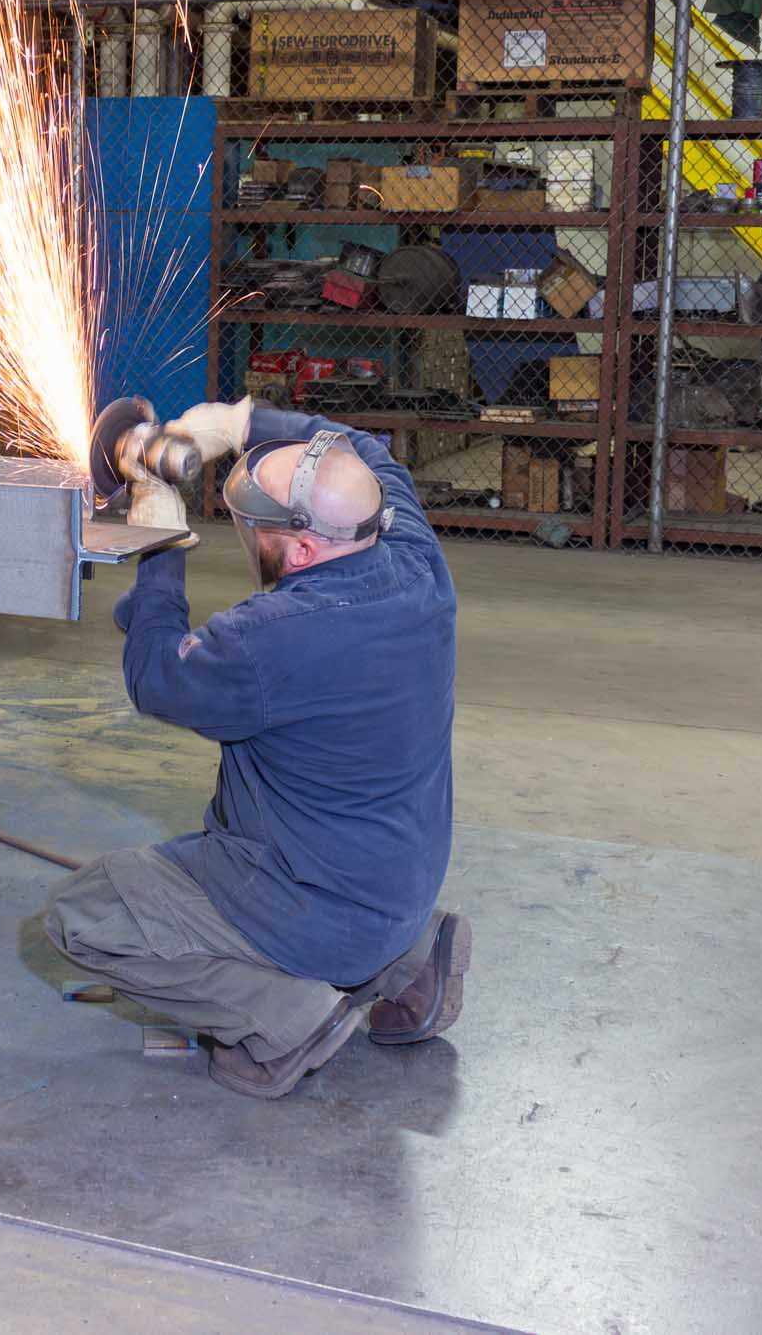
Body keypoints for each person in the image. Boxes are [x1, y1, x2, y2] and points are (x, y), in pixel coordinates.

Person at [40, 396, 464, 1099]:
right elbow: (361, 444)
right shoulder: (415, 555)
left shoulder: (270, 638)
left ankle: (284, 1020)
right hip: (406, 883)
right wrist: (236, 424)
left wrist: (161, 548)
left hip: (319, 907)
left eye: (257, 525)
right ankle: (410, 962)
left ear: (301, 548)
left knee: (83, 915)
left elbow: (156, 678)